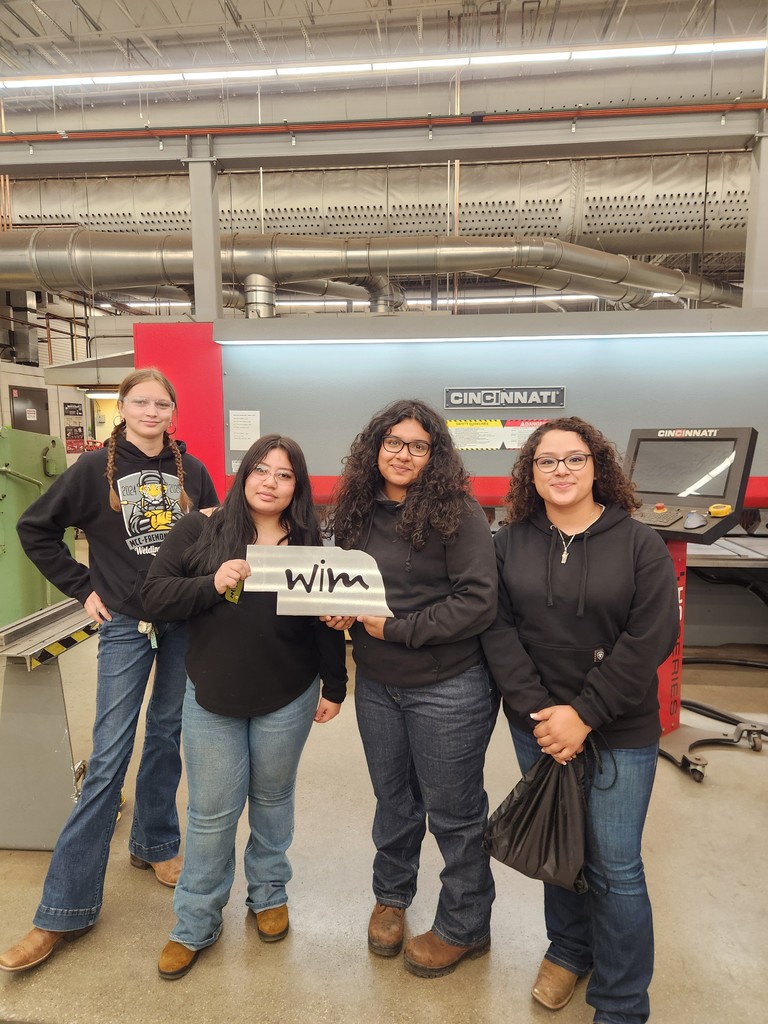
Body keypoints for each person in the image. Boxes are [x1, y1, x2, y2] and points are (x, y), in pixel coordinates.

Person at [0, 368, 219, 974]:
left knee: (167, 735)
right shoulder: (91, 473)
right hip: (125, 624)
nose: (151, 410)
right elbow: (35, 529)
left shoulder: (190, 471)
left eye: (161, 403)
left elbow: (211, 539)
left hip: (184, 622)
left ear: (174, 410)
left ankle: (156, 842)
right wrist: (82, 588)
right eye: (139, 402)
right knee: (108, 758)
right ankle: (60, 911)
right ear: (121, 408)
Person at [481, 417, 680, 1024]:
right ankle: (569, 949)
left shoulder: (639, 543)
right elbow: (497, 627)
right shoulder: (509, 540)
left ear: (598, 467)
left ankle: (621, 1001)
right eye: (547, 461)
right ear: (530, 473)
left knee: (615, 866)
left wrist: (585, 715)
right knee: (557, 845)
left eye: (574, 459)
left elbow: (652, 637)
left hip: (618, 730)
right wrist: (543, 714)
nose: (561, 470)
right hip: (537, 724)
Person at [141, 434, 347, 980]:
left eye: (284, 474)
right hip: (212, 695)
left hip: (289, 693)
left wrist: (335, 683)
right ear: (244, 474)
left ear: (297, 487)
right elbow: (153, 595)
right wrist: (212, 581)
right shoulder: (202, 529)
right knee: (210, 814)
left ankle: (269, 894)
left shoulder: (308, 542)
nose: (270, 482)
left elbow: (327, 618)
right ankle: (194, 922)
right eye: (261, 470)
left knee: (274, 798)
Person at [323, 399, 498, 978]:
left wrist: (396, 629)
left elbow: (476, 602)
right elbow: (343, 581)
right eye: (393, 442)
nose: (402, 454)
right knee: (394, 801)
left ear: (434, 456)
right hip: (377, 683)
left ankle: (465, 924)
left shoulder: (461, 514)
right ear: (375, 448)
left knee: (454, 811)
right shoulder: (355, 513)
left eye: (417, 445)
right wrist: (339, 612)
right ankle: (391, 898)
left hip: (447, 687)